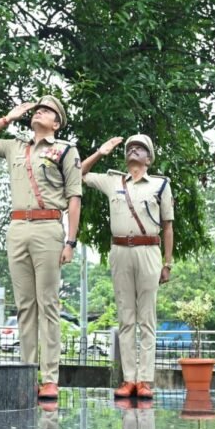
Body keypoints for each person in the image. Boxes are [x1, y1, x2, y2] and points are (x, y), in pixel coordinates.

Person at [0, 95, 82, 400]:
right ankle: (26, 373)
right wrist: (8, 118)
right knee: (24, 307)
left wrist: (70, 241)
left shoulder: (65, 150)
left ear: (56, 122)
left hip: (48, 227)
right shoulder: (15, 146)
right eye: (38, 109)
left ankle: (50, 379)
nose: (39, 112)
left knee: (47, 304)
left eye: (46, 111)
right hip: (17, 227)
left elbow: (74, 197)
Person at [81, 134, 174, 400]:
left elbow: (168, 226)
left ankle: (145, 380)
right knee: (126, 318)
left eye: (140, 148)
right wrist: (100, 151)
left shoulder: (160, 185)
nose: (134, 150)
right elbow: (78, 174)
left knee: (147, 318)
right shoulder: (113, 181)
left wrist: (167, 263)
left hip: (149, 250)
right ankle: (128, 379)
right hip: (120, 250)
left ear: (149, 158)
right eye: (130, 147)